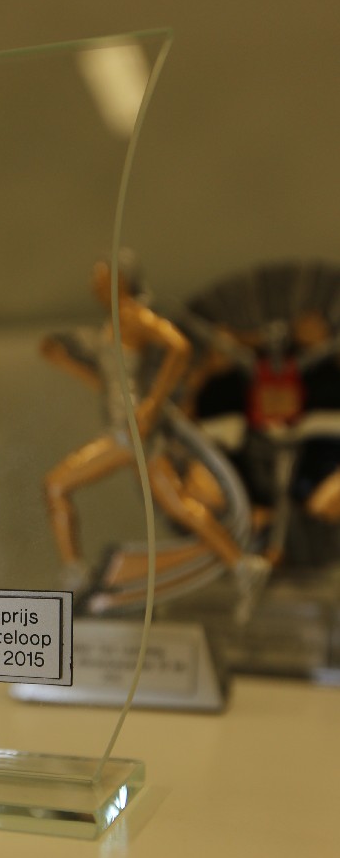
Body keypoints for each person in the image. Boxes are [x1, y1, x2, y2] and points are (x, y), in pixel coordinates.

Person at [43, 260, 270, 618]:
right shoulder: (115, 322)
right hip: (127, 430)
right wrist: (66, 363)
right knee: (177, 503)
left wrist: (152, 404)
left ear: (120, 281)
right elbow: (109, 387)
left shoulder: (133, 316)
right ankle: (242, 564)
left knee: (56, 485)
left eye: (101, 279)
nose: (94, 285)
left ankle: (75, 573)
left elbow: (179, 347)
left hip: (129, 433)